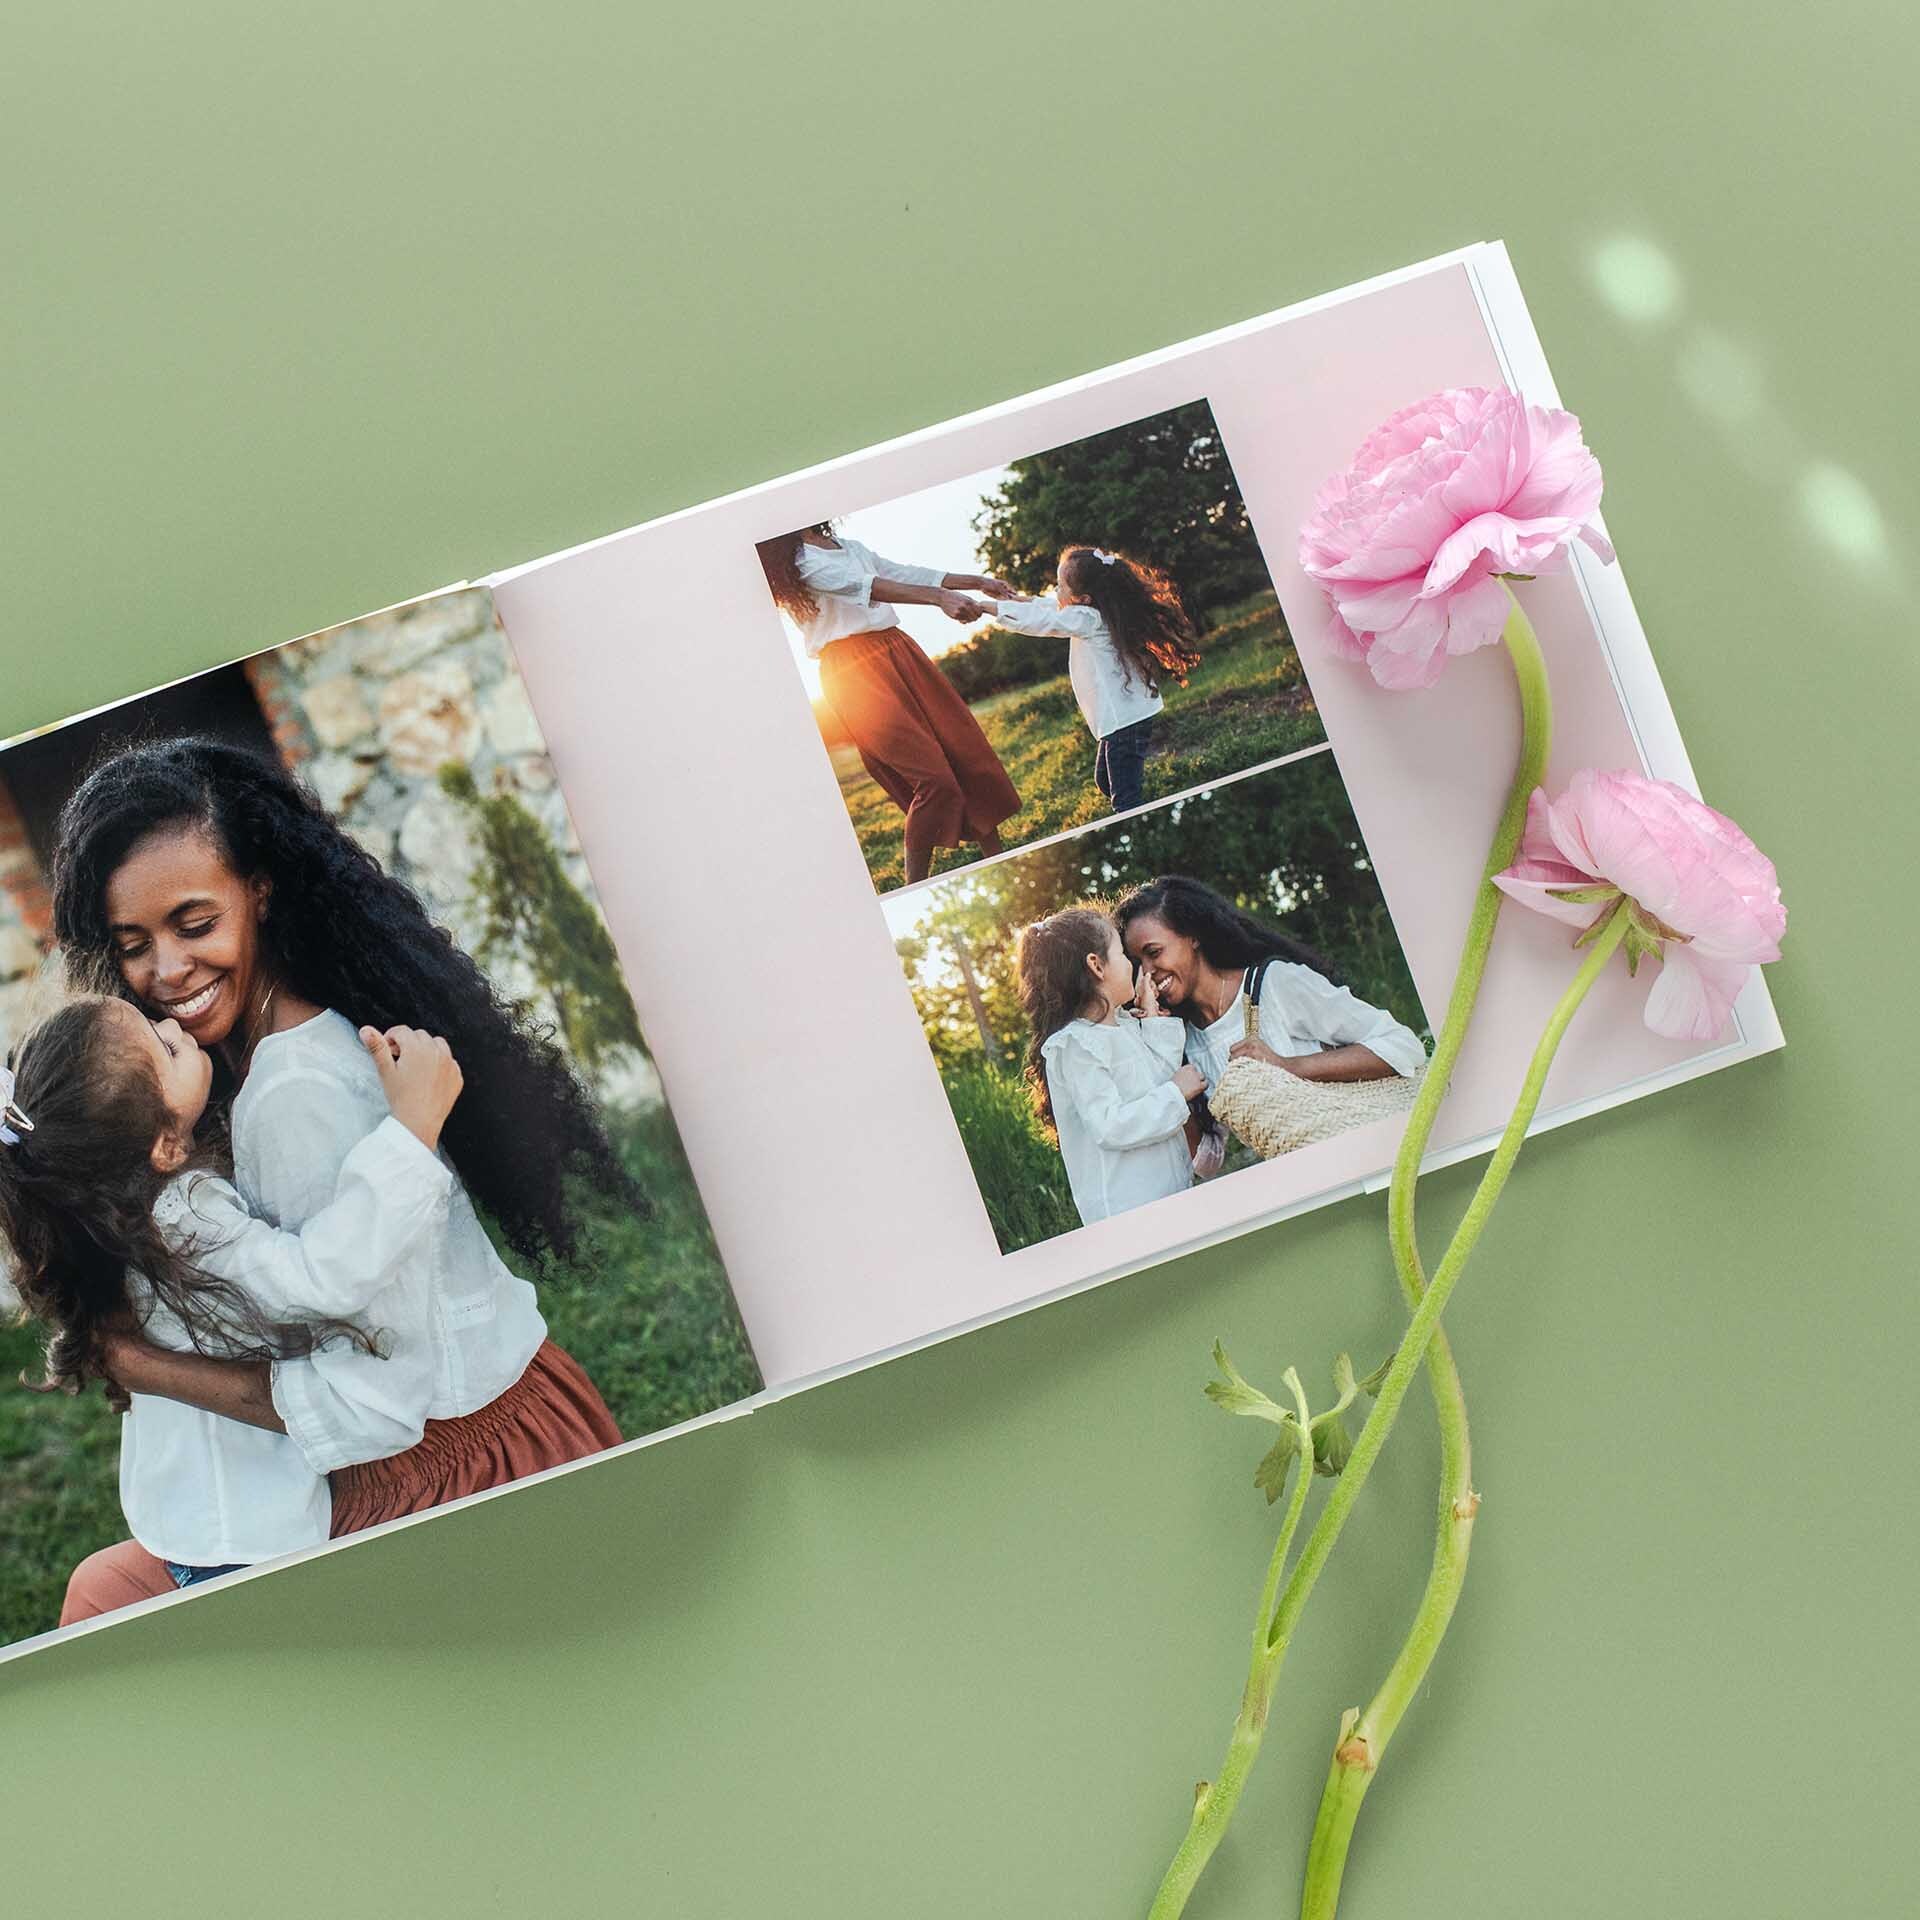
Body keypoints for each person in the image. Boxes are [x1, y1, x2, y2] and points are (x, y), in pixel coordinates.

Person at [44, 735, 631, 1623]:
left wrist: (145, 1367)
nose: (165, 974)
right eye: (134, 944)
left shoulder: (294, 1095)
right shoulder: (246, 1057)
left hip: (445, 1480)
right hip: (485, 1432)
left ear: (261, 890)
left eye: (195, 925)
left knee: (113, 1608)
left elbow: (376, 1398)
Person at [0, 997, 464, 1592]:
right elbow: (316, 1282)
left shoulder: (105, 1216)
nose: (172, 1023)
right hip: (250, 1545)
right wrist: (410, 1133)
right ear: (165, 1146)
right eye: (163, 1045)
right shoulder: (184, 1218)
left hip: (198, 1523)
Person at [757, 523, 1021, 883]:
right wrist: (938, 598)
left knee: (962, 753)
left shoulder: (847, 546)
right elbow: (866, 587)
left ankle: (998, 860)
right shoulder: (800, 562)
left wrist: (975, 581)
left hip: (898, 649)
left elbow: (902, 572)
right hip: (852, 672)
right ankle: (915, 883)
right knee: (933, 779)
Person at [1115, 877, 1427, 1116]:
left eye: (1154, 953)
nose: (1147, 973)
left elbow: (1402, 1046)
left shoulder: (1275, 984)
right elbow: (1207, 1162)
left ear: (1193, 936)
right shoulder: (1184, 1039)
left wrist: (1288, 1066)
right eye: (1137, 963)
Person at [1017, 906, 1205, 1227]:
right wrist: (1176, 1093)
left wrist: (1152, 1017)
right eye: (1120, 952)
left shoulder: (1124, 1025)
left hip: (1166, 1192)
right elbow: (1110, 1125)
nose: (1131, 964)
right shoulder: (1076, 1045)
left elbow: (1159, 1077)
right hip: (1128, 1211)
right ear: (1097, 965)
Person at [990, 545, 1202, 816]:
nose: (1056, 591)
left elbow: (1045, 620)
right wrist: (1016, 600)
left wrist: (989, 608)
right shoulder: (1097, 612)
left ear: (1085, 598)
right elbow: (1047, 606)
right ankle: (1136, 801)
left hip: (1124, 723)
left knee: (1124, 800)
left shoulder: (1086, 619)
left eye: (1060, 585)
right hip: (1127, 718)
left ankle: (1137, 815)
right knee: (1105, 782)